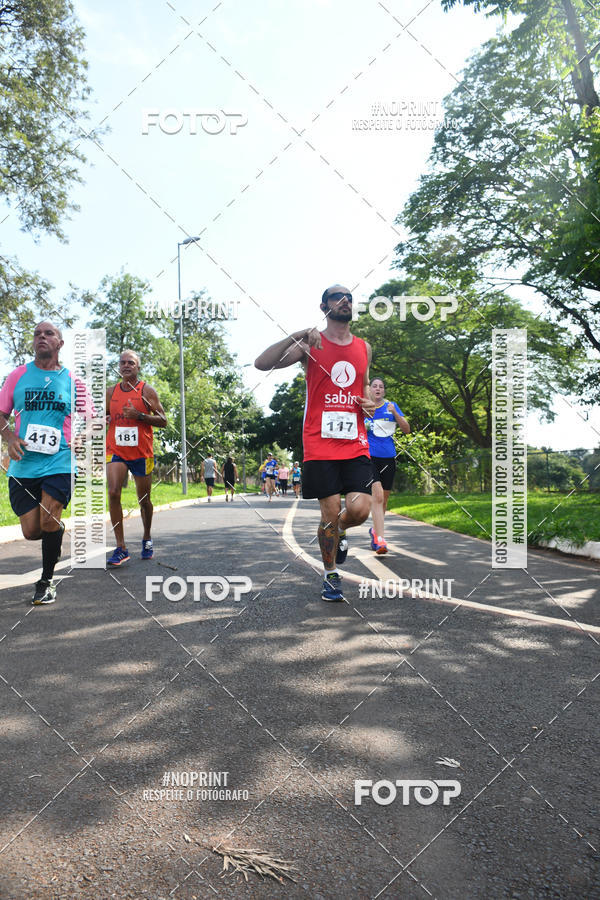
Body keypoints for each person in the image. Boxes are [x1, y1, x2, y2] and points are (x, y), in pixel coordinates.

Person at [255, 285, 375, 601]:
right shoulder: (311, 344)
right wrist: (296, 334)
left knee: (360, 510)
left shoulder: (364, 347)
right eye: (337, 297)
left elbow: (362, 389)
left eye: (349, 296)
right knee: (329, 513)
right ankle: (331, 574)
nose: (345, 300)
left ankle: (342, 531)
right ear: (324, 306)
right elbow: (261, 363)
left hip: (355, 441)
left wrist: (370, 404)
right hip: (320, 443)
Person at [0, 321, 92, 605]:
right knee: (31, 531)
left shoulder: (72, 381)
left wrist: (82, 437)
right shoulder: (18, 375)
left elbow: (94, 418)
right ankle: (56, 532)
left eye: (49, 333)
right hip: (23, 464)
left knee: (50, 514)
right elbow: (1, 414)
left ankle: (46, 581)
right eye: (38, 334)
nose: (42, 337)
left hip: (60, 461)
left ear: (60, 343)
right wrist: (9, 436)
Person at [106, 349, 167, 565]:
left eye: (130, 362)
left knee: (144, 500)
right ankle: (121, 547)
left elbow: (163, 420)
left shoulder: (146, 391)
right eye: (122, 362)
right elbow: (104, 414)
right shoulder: (110, 391)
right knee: (113, 492)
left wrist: (140, 416)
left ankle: (147, 536)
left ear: (137, 366)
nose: (126, 365)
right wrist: (104, 419)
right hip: (116, 451)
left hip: (141, 453)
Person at [365, 377, 410, 554]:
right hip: (369, 458)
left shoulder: (392, 406)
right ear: (369, 390)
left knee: (383, 500)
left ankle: (376, 532)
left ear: (384, 391)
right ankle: (381, 540)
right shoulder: (364, 407)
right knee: (377, 496)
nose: (377, 389)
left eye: (381, 387)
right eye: (374, 386)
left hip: (388, 457)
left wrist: (395, 413)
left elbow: (407, 430)